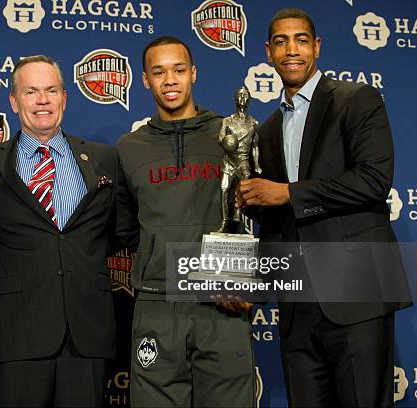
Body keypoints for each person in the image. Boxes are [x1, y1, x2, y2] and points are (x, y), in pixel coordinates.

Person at [236, 8, 412, 407]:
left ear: (316, 46)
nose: (291, 50)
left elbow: (372, 181)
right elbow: (277, 221)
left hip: (357, 292)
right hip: (298, 305)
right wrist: (255, 283)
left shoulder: (355, 99)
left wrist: (287, 193)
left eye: (300, 40)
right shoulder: (264, 130)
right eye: (280, 42)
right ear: (268, 51)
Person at [0, 55, 131, 407]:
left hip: (87, 335)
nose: (43, 100)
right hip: (14, 337)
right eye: (31, 92)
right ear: (13, 101)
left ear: (64, 98)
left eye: (51, 90)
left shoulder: (104, 160)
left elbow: (121, 233)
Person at [117, 36, 255, 407]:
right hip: (157, 305)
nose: (170, 80)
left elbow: (252, 211)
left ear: (193, 73)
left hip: (221, 301)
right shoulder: (129, 148)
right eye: (158, 72)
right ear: (145, 80)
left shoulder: (228, 133)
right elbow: (127, 228)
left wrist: (236, 278)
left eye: (178, 69)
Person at [217, 86, 261, 232]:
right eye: (239, 96)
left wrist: (257, 164)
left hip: (243, 161)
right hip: (229, 161)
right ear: (235, 99)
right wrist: (227, 142)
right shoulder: (227, 121)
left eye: (245, 96)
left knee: (246, 186)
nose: (242, 98)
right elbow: (220, 138)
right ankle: (224, 222)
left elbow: (255, 146)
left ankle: (242, 222)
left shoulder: (254, 123)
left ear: (249, 99)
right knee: (224, 190)